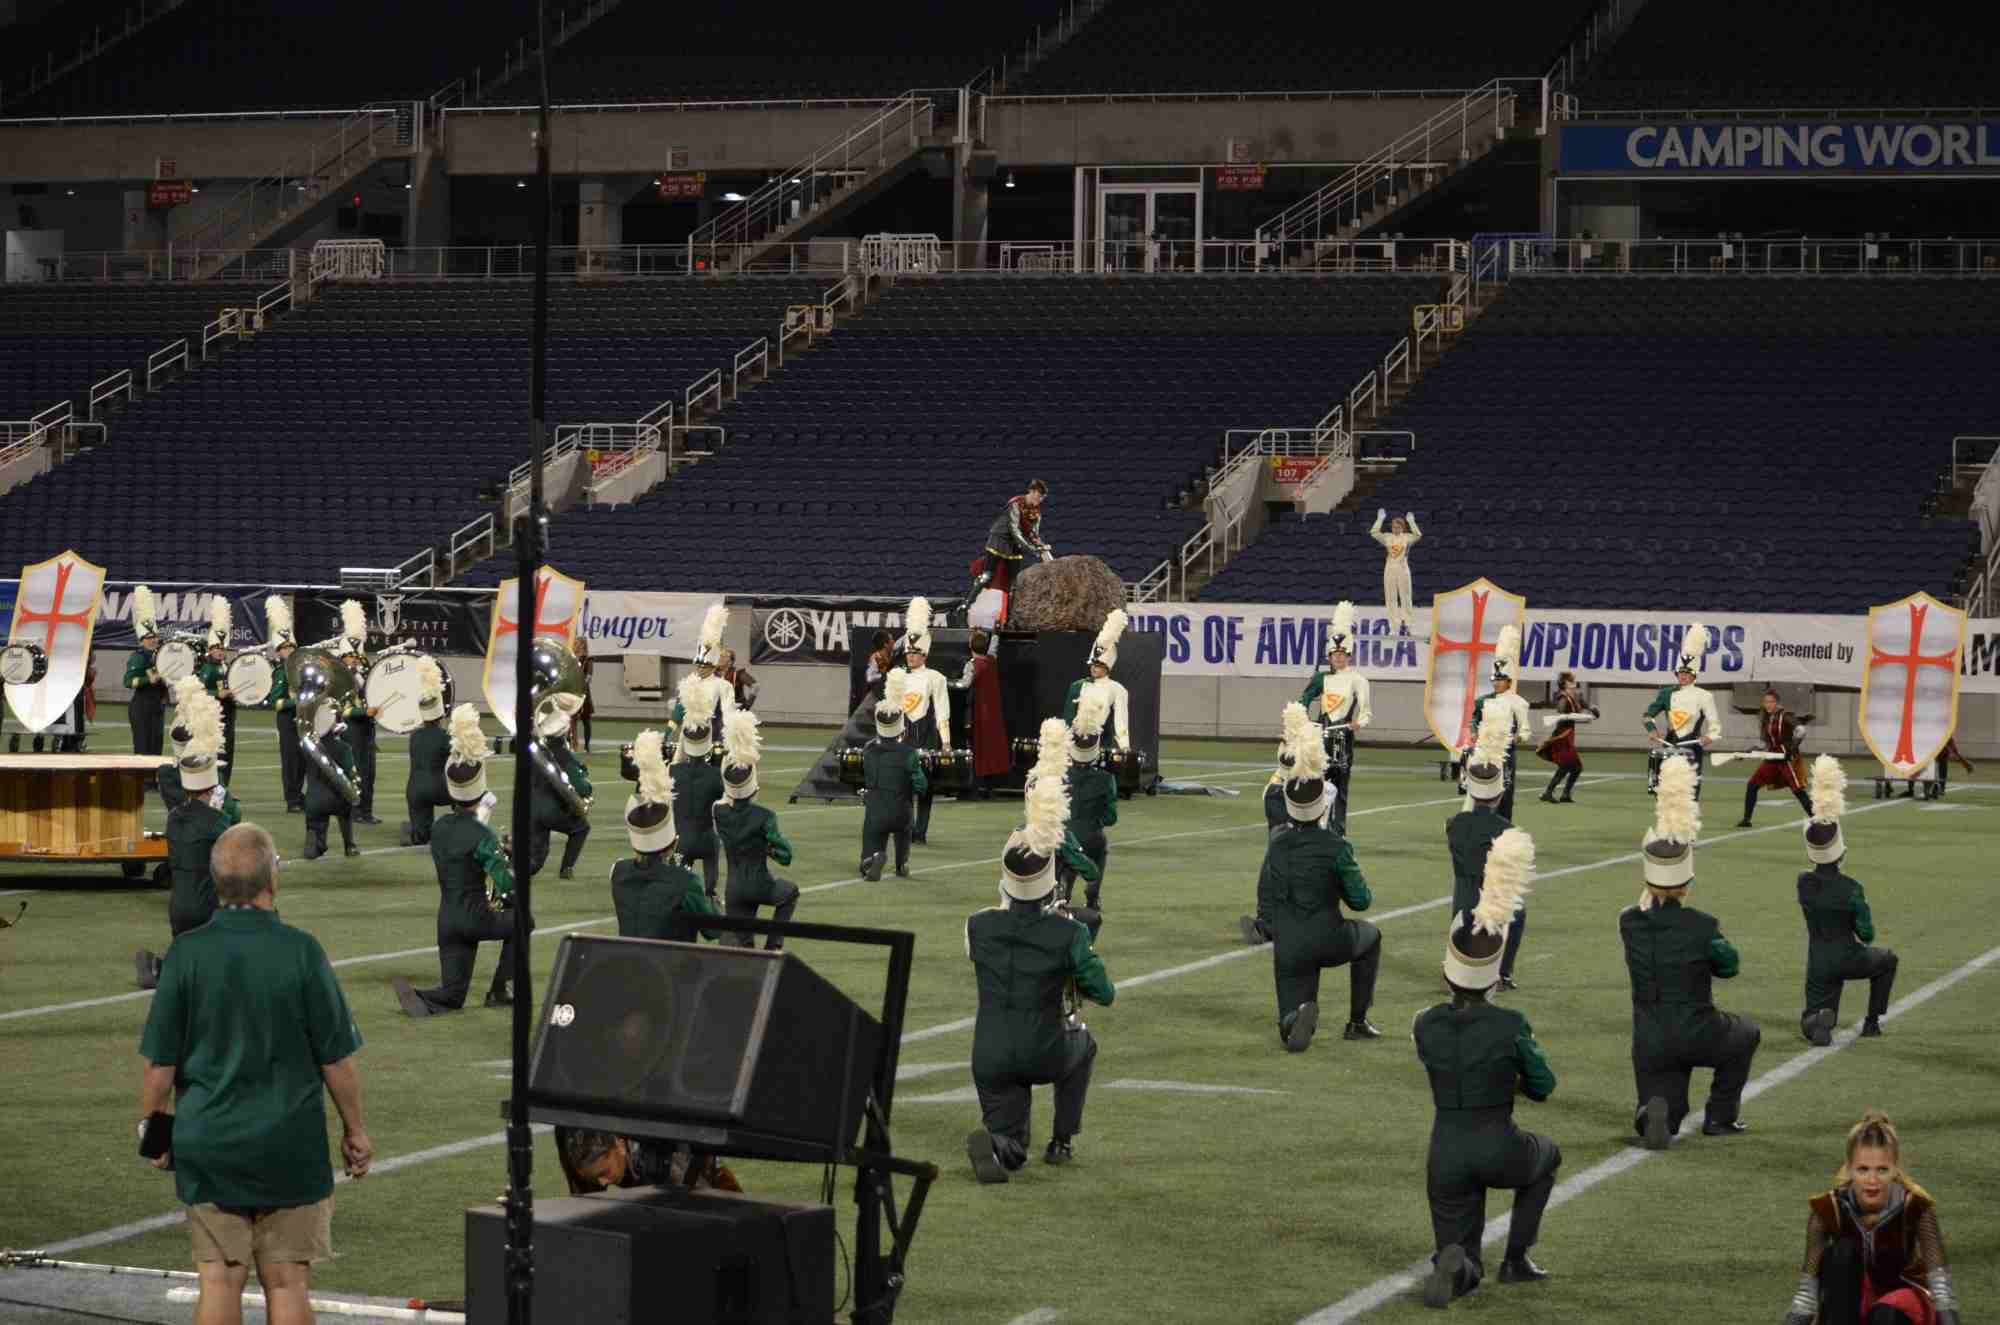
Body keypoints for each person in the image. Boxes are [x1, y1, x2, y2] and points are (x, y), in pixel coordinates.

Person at [136, 823, 370, 1325]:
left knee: (219, 1281)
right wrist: (355, 1131)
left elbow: (159, 1065)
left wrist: (153, 1132)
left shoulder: (186, 954)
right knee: (287, 1284)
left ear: (215, 881)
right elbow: (336, 1060)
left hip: (210, 1145)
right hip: (290, 1146)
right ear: (273, 878)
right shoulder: (302, 950)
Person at [1415, 826, 1557, 1309]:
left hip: (1444, 1154)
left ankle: (1458, 1266)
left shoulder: (1425, 1024)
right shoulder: (1510, 1024)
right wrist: (1512, 1079)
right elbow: (1543, 1086)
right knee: (1547, 1155)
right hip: (1498, 1144)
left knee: (1460, 1248)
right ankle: (1516, 1258)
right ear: (1493, 974)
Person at [964, 729, 1115, 1182]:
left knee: (1010, 1137)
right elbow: (1104, 993)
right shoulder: (1068, 933)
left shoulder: (976, 925)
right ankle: (1061, 1141)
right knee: (1084, 1046)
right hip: (1043, 1049)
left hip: (989, 1054)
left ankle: (1002, 1145)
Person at [1622, 756, 1760, 1149]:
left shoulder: (1628, 922)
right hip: (1697, 1029)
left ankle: (1652, 1113)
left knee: (1666, 1103)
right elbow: (1729, 966)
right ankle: (1720, 1117)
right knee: (1745, 1033)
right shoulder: (1702, 925)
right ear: (1686, 882)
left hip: (1649, 1038)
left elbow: (1643, 911)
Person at [1255, 724, 1382, 1050]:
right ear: (1321, 805)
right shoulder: (1336, 846)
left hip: (1287, 945)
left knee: (1293, 1007)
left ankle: (1292, 1021)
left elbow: (1267, 888)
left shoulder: (1276, 841)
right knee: (1371, 937)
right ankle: (1357, 1022)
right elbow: (1361, 901)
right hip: (1329, 938)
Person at [392, 706, 520, 1015]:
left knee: (453, 995)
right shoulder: (483, 835)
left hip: (447, 920)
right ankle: (500, 988)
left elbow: (464, 846)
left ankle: (423, 997)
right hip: (476, 918)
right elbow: (506, 883)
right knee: (523, 921)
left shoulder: (439, 828)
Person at [1782, 1111, 1961, 1325]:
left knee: (1885, 1314)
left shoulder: (1916, 1207)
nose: (1872, 1180)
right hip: (1853, 1306)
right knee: (1842, 1252)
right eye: (1863, 1169)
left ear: (1895, 1169)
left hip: (1901, 1308)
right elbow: (1806, 1296)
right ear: (1849, 1169)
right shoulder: (1828, 1209)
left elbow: (1941, 1290)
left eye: (1882, 1170)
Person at [135, 689, 240, 991]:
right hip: (207, 905)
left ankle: (160, 967)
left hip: (178, 904)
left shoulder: (174, 818)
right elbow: (233, 842)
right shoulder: (216, 821)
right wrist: (222, 809)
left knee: (186, 949)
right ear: (209, 788)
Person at [1797, 755, 1898, 1046]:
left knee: (1812, 1016)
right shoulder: (1852, 888)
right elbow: (1866, 934)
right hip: (1849, 957)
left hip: (1818, 962)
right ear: (1840, 852)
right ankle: (1872, 1022)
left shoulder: (1803, 883)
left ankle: (1817, 1022)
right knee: (1888, 960)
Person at [611, 729, 720, 943]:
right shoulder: (686, 881)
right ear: (671, 843)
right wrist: (714, 905)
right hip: (670, 962)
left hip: (626, 959)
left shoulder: (618, 872)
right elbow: (712, 932)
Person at [1448, 704, 1526, 990]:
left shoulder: (1453, 824)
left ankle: (1455, 963)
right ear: (1499, 793)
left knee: (1461, 898)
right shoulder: (1506, 829)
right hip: (1490, 902)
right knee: (1517, 910)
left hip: (1462, 903)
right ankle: (1502, 973)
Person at [712, 708, 800, 950]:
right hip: (761, 885)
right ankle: (774, 945)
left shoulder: (718, 812)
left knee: (743, 947)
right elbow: (786, 857)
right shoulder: (765, 816)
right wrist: (769, 848)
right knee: (790, 893)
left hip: (733, 890)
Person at [1297, 601, 1371, 833]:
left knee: (1340, 784)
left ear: (1348, 655)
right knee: (1315, 782)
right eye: (1334, 654)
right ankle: (1312, 826)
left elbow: (1366, 712)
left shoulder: (1358, 680)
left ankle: (1337, 830)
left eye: (1342, 654)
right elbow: (1303, 700)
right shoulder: (1321, 678)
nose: (1338, 658)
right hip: (1321, 736)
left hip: (1343, 736)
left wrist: (1358, 723)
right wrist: (1303, 720)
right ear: (1329, 656)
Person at [886, 596, 950, 845]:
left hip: (926, 735)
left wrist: (946, 741)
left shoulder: (936, 677)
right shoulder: (897, 676)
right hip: (903, 734)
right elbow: (891, 709)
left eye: (916, 653)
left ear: (924, 654)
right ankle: (906, 828)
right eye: (909, 652)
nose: (911, 656)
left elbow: (942, 710)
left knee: (925, 787)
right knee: (902, 787)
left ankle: (920, 831)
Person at [859, 674, 927, 882]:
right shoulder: (909, 753)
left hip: (875, 810)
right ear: (900, 727)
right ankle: (901, 863)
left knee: (871, 839)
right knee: (903, 831)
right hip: (901, 811)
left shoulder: (868, 750)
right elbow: (921, 785)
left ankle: (872, 859)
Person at [1645, 621, 1721, 801]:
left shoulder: (1704, 696)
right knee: (1665, 792)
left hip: (1692, 745)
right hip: (1670, 744)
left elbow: (1715, 724)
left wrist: (1710, 736)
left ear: (1694, 675)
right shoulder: (1666, 693)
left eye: (1688, 673)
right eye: (1681, 672)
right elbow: (1647, 716)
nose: (1683, 676)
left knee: (1689, 794)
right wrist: (1652, 730)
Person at [1061, 687, 1118, 917]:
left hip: (1065, 836)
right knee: (1100, 848)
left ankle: (1064, 888)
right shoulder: (1106, 779)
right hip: (1092, 836)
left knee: (1066, 849)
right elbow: (1111, 818)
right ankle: (1093, 894)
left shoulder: (1060, 775)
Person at [1463, 625, 1530, 821]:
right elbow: (1474, 720)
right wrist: (1473, 731)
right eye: (1495, 679)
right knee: (1477, 793)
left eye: (1501, 679)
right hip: (1482, 752)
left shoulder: (1518, 702)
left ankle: (1503, 826)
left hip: (1505, 755)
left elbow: (1525, 730)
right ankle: (1474, 824)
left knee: (1505, 793)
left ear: (1509, 681)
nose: (1497, 683)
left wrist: (1517, 738)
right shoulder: (1482, 700)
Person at [525, 689, 592, 880]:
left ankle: (508, 861)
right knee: (581, 828)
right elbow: (581, 787)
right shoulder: (563, 754)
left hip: (530, 809)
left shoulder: (535, 748)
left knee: (535, 861)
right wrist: (587, 787)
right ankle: (566, 868)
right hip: (553, 810)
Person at [670, 674, 726, 898]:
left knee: (679, 888)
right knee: (711, 881)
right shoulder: (715, 775)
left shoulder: (673, 772)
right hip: (707, 838)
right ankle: (711, 894)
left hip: (682, 840)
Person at [967, 478, 1052, 624]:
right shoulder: (1016, 504)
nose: (1039, 500)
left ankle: (1010, 618)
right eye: (1038, 496)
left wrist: (1040, 545)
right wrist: (1032, 549)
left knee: (1014, 583)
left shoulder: (1036, 512)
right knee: (987, 576)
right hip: (1000, 540)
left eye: (1042, 498)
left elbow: (1033, 533)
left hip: (1015, 545)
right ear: (1031, 492)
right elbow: (1015, 530)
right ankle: (965, 605)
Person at [1738, 685, 1812, 826]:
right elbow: (1764, 743)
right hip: (1772, 758)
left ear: (1777, 703)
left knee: (1798, 790)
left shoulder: (1786, 716)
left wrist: (1791, 749)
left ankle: (1817, 819)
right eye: (1766, 702)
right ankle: (1746, 820)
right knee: (1752, 785)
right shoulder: (1766, 719)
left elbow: (1801, 731)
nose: (1768, 704)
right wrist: (1748, 752)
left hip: (1787, 759)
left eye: (1771, 702)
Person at [1062, 609, 1132, 753]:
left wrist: (1124, 745)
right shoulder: (1078, 685)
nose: (1094, 668)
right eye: (1093, 664)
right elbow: (1068, 717)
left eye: (1099, 665)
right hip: (1075, 741)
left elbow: (1121, 719)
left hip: (1101, 741)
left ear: (1107, 668)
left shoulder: (1116, 689)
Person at [400, 658, 450, 847]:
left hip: (414, 789)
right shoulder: (445, 736)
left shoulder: (414, 736)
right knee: (466, 795)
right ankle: (458, 827)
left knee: (422, 836)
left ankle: (418, 832)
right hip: (439, 789)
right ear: (440, 716)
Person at [301, 708, 360, 861]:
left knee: (315, 820)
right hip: (336, 799)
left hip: (313, 799)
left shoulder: (308, 748)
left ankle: (316, 844)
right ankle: (349, 845)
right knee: (346, 812)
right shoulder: (343, 748)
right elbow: (350, 773)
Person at [263, 597, 304, 814]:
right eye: (285, 648)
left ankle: (299, 794)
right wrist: (293, 701)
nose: (289, 650)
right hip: (288, 721)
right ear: (279, 652)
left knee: (303, 760)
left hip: (305, 719)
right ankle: (292, 799)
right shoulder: (280, 672)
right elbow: (274, 702)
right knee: (291, 760)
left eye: (291, 646)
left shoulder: (303, 668)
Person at [124, 585, 169, 776]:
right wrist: (147, 679)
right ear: (141, 640)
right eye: (148, 638)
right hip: (141, 707)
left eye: (154, 637)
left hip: (157, 707)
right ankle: (141, 781)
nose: (152, 640)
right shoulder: (138, 657)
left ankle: (153, 780)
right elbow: (128, 682)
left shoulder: (162, 656)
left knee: (156, 746)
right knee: (143, 747)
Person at [1534, 672, 1596, 804]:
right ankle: (1548, 792)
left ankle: (1565, 795)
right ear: (1565, 683)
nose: (1573, 682)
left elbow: (1584, 704)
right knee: (1566, 765)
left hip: (1569, 734)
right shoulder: (1563, 697)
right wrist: (1579, 716)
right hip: (1562, 735)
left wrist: (1592, 709)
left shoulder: (1575, 696)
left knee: (1577, 768)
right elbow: (1562, 712)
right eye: (1570, 681)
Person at [671, 604, 735, 730]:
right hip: (687, 734)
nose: (700, 669)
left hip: (714, 733)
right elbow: (677, 713)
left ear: (713, 667)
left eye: (705, 666)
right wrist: (668, 733)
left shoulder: (723, 685)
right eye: (698, 666)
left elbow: (728, 713)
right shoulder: (688, 683)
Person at [195, 599, 237, 788]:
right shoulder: (208, 669)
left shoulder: (226, 666)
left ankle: (224, 787)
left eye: (222, 648)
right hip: (214, 717)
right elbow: (200, 691)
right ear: (210, 650)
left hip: (228, 714)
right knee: (218, 752)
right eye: (217, 648)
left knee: (228, 752)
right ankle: (216, 787)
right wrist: (217, 694)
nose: (220, 651)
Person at [340, 643, 381, 827]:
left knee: (370, 773)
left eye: (356, 656)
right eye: (350, 656)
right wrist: (365, 712)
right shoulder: (339, 678)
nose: (354, 659)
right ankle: (355, 811)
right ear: (342, 658)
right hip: (351, 730)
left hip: (367, 729)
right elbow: (344, 710)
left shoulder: (364, 675)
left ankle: (366, 811)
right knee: (358, 772)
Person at [1370, 508, 1422, 635]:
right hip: (1389, 569)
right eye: (1394, 527)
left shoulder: (1407, 537)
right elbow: (1374, 533)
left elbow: (1418, 535)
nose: (1396, 529)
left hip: (1403, 568)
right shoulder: (1387, 537)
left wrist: (1411, 522)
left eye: (1398, 527)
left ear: (1402, 528)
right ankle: (1393, 627)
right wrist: (1379, 519)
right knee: (1390, 598)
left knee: (1406, 597)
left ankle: (1408, 625)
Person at [1903, 735, 1973, 801]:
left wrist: (1965, 763)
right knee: (1917, 766)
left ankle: (1940, 788)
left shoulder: (1946, 738)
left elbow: (1955, 751)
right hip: (1927, 753)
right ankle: (1912, 789)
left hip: (1939, 753)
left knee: (1943, 761)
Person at [857, 629, 896, 712]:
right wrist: (885, 676)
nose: (894, 641)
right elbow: (870, 678)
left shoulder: (892, 656)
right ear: (885, 644)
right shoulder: (875, 658)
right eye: (891, 639)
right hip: (875, 701)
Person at [570, 635, 596, 752]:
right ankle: (574, 743)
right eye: (575, 643)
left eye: (577, 643)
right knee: (572, 719)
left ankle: (587, 746)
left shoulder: (588, 659)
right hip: (573, 691)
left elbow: (589, 675)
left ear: (583, 645)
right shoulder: (571, 658)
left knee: (586, 720)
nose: (575, 645)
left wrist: (583, 684)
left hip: (584, 692)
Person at [717, 646, 758, 712]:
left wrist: (748, 704)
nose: (720, 658)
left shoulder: (737, 673)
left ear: (730, 662)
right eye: (720, 656)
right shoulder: (713, 673)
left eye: (724, 656)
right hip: (719, 709)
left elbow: (755, 686)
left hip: (735, 708)